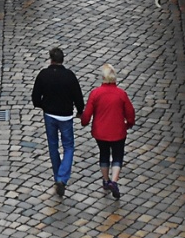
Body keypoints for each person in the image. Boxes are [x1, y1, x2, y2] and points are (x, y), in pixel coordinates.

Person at [31, 47, 85, 196]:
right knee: (68, 147)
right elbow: (78, 98)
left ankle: (57, 177)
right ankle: (62, 177)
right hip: (66, 117)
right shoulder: (69, 76)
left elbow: (35, 98)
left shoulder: (43, 75)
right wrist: (80, 111)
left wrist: (44, 106)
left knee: (53, 147)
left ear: (51, 59)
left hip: (50, 115)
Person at [81, 64, 136, 200]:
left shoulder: (96, 93)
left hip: (101, 133)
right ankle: (114, 181)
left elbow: (87, 114)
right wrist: (129, 124)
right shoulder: (121, 94)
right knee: (117, 156)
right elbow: (130, 113)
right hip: (118, 131)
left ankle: (106, 180)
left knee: (104, 154)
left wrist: (84, 121)